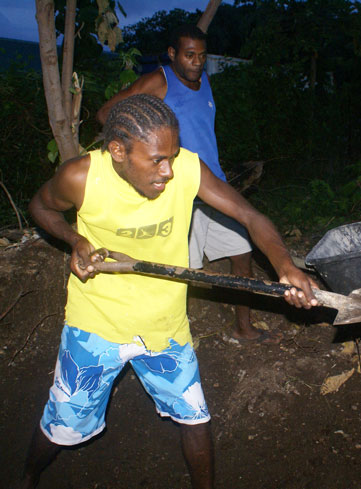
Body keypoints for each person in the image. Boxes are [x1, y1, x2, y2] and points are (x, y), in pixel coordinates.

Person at [21, 94, 318, 489]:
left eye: (172, 156)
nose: (169, 171)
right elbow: (40, 208)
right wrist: (74, 239)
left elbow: (250, 215)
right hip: (95, 328)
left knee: (195, 417)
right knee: (62, 424)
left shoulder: (187, 169)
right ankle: (26, 476)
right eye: (157, 160)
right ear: (118, 151)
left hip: (165, 325)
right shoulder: (81, 177)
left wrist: (285, 266)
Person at [96, 24, 276, 344]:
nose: (196, 62)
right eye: (189, 55)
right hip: (178, 191)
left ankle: (243, 328)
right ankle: (159, 339)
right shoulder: (158, 81)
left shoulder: (203, 80)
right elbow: (107, 114)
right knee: (176, 271)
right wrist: (140, 156)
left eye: (201, 56)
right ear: (172, 54)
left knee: (242, 252)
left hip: (213, 186)